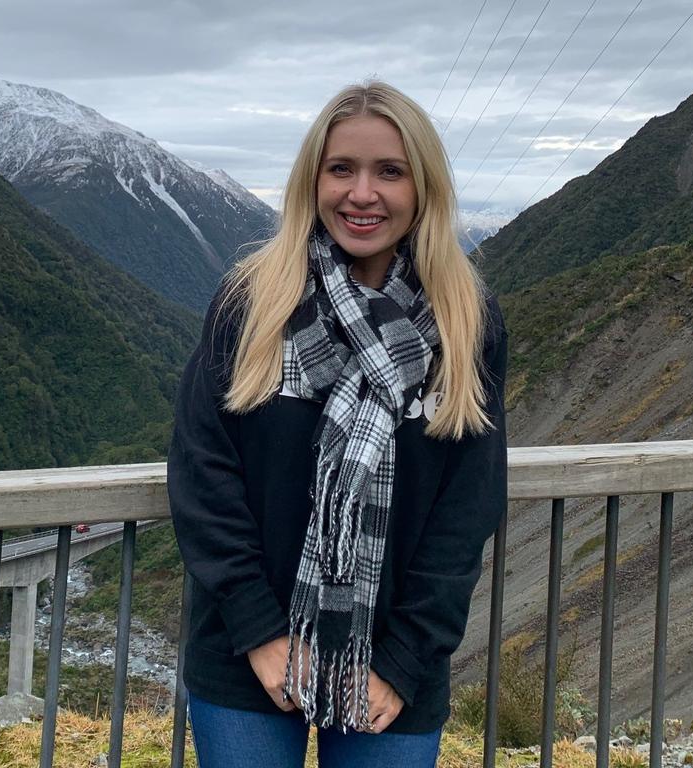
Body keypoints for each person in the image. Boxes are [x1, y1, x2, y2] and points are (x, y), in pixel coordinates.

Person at [167, 80, 508, 768]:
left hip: (392, 666)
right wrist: (260, 632)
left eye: (390, 171)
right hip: (246, 653)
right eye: (341, 169)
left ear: (424, 186)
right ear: (311, 181)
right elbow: (203, 469)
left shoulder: (465, 319)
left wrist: (407, 656)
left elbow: (467, 505)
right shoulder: (252, 300)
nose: (362, 193)